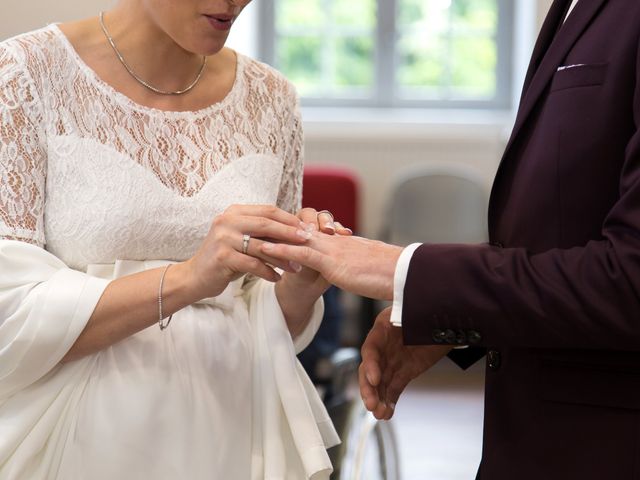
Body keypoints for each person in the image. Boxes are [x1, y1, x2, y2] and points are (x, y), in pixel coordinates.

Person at [261, 0, 640, 478]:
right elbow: (562, 236)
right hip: (535, 436)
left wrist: (401, 271)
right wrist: (459, 320)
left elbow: (631, 280)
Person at [0, 1, 351, 478]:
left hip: (232, 427)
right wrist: (188, 278)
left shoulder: (273, 98)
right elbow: (8, 315)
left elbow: (268, 324)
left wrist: (301, 286)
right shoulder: (25, 74)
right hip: (78, 437)